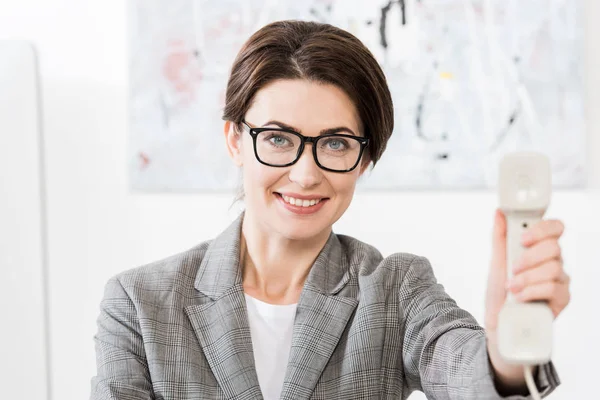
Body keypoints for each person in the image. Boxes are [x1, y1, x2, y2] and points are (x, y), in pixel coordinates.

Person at [90, 20, 570, 400]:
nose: (304, 174)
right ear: (235, 140)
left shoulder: (395, 290)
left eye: (336, 144)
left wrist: (509, 346)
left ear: (363, 158)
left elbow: (469, 375)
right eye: (278, 138)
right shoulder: (139, 304)